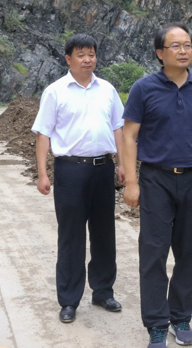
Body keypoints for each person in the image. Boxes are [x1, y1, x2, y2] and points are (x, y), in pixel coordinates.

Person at [122, 22, 192, 348]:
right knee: (153, 253)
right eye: (176, 45)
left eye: (188, 44)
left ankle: (181, 317)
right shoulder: (143, 88)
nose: (183, 51)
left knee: (190, 253)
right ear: (160, 53)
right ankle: (156, 324)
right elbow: (129, 136)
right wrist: (132, 182)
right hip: (156, 180)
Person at [32, 34, 125, 324]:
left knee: (104, 232)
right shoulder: (55, 92)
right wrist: (43, 173)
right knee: (71, 235)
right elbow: (43, 134)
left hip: (103, 168)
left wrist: (123, 164)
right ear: (68, 59)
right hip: (70, 170)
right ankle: (69, 300)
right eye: (81, 55)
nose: (88, 60)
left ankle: (103, 291)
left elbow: (118, 128)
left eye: (92, 54)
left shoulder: (107, 89)